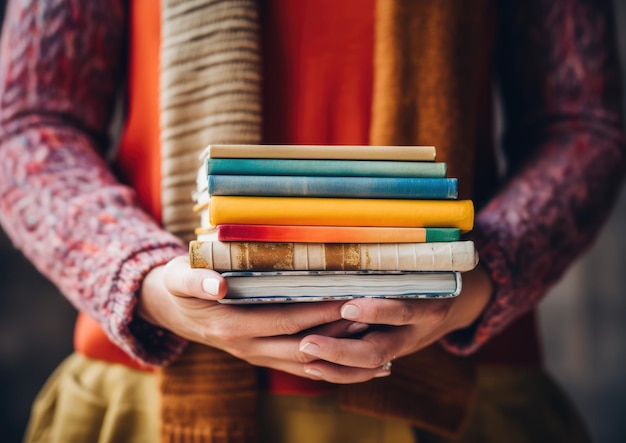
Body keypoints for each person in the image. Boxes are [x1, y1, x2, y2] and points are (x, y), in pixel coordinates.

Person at [0, 0, 623, 442]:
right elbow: (27, 126)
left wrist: (476, 276)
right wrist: (147, 281)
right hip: (154, 394)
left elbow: (581, 127)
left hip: (461, 391)